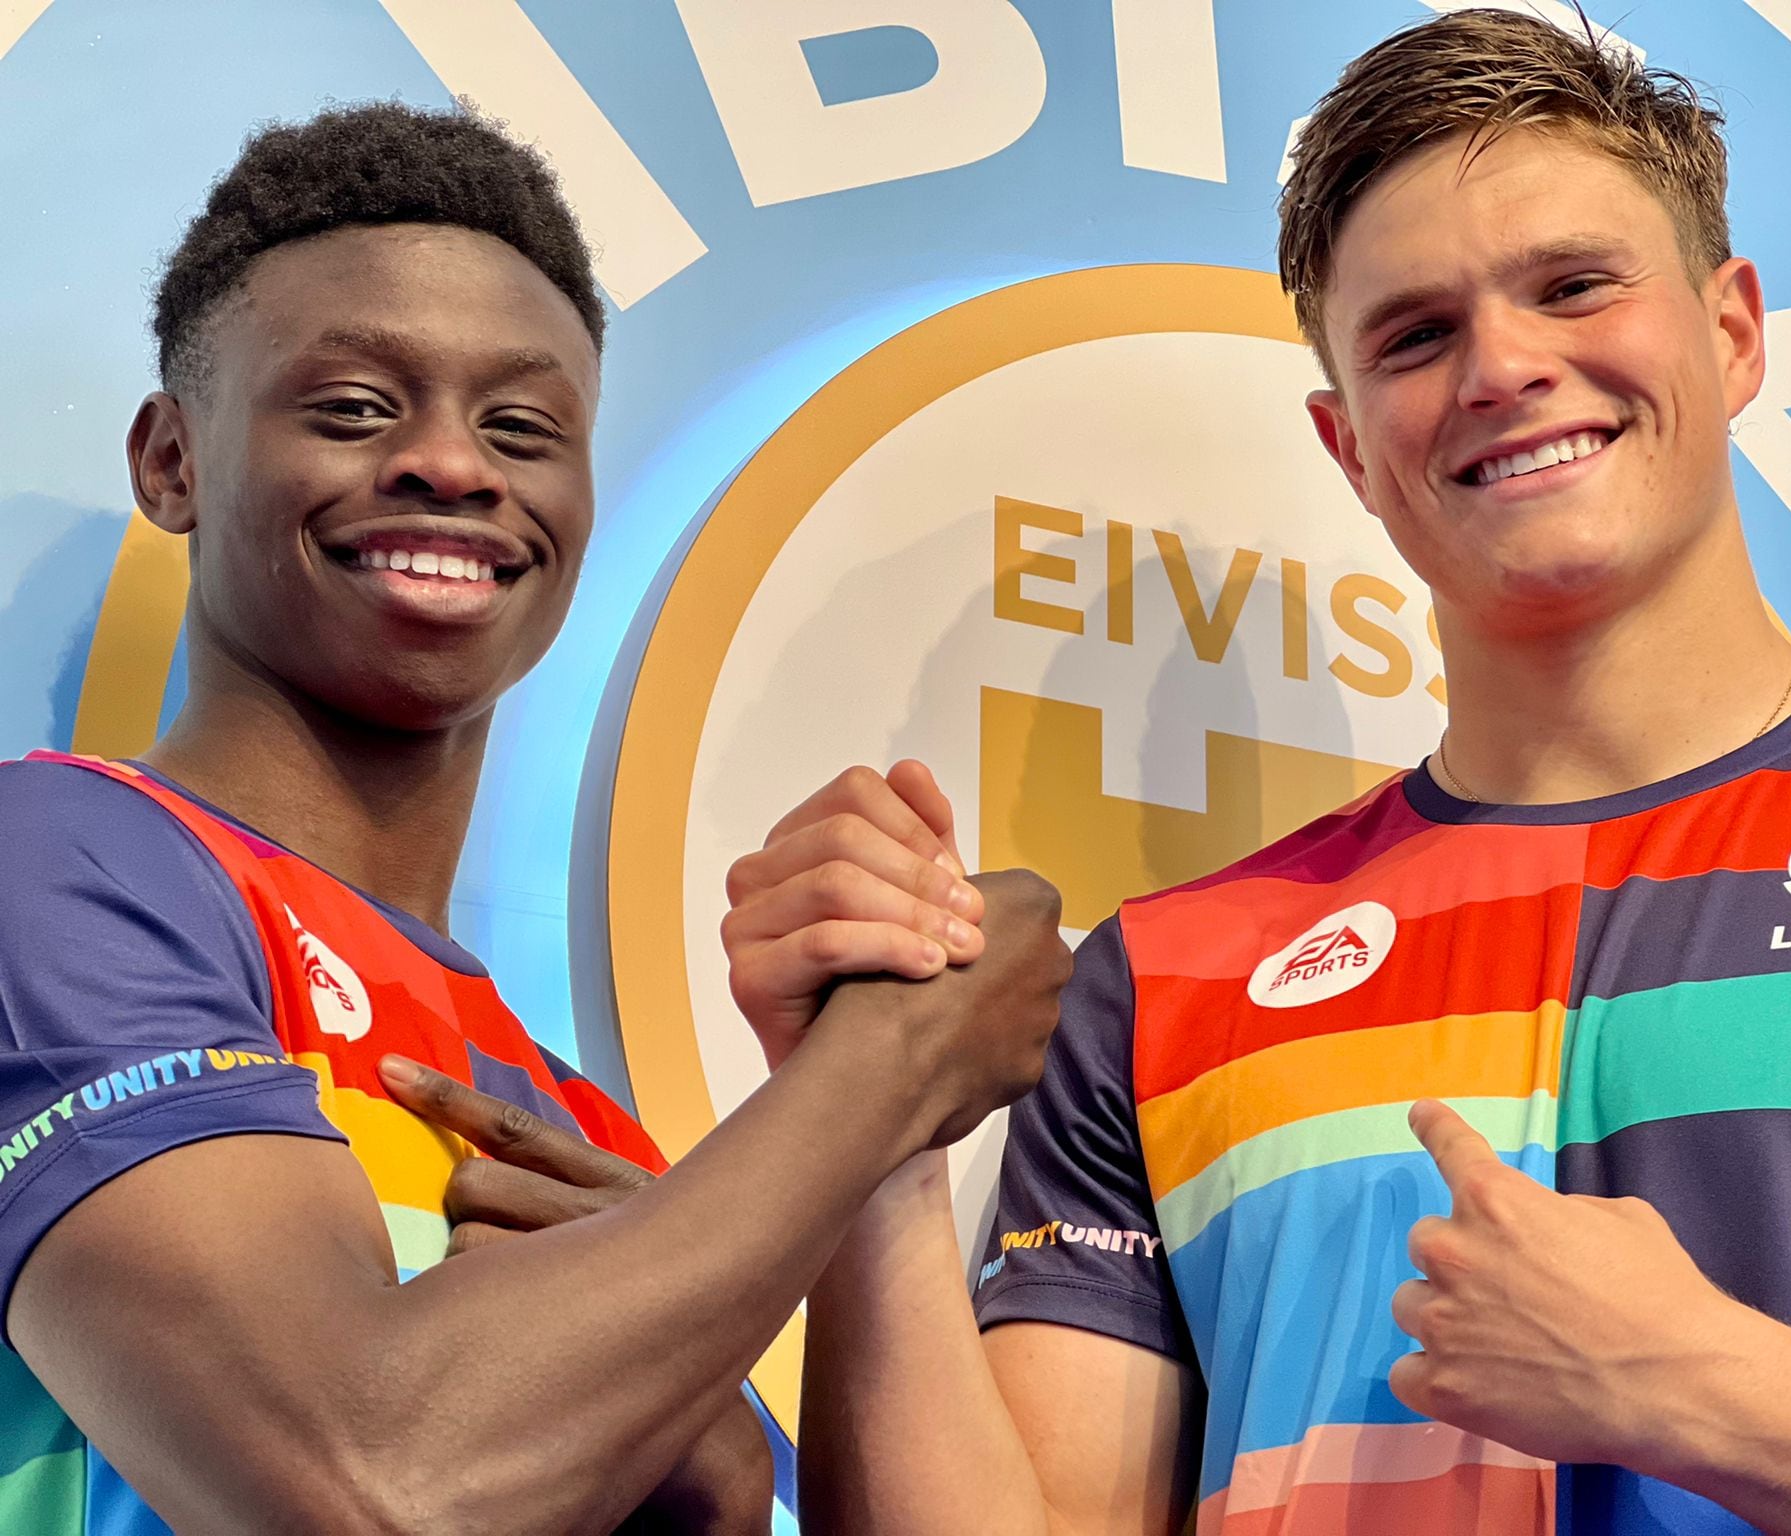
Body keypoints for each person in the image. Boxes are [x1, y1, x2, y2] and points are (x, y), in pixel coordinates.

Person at [724, 10, 1791, 1534]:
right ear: (1348, 445)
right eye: (1416, 337)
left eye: (1573, 286)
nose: (1503, 367)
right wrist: (865, 1133)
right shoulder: (1166, 982)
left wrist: (1705, 1388)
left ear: (1735, 332)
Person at [0, 102, 1073, 1535]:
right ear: (171, 462)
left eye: (522, 427)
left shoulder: (573, 1120)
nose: (453, 465)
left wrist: (727, 1464)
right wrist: (888, 1068)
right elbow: (374, 1482)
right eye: (355, 408)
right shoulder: (57, 863)